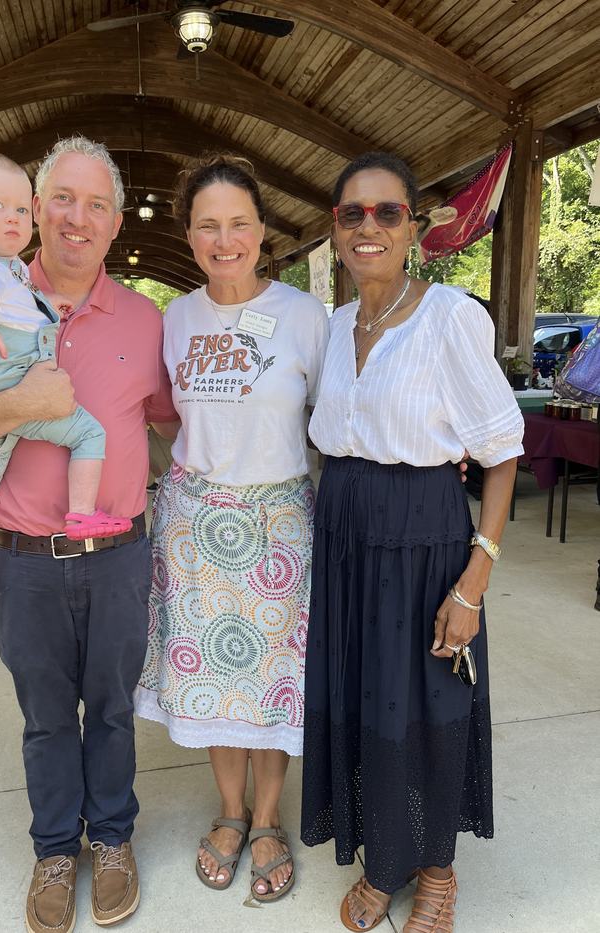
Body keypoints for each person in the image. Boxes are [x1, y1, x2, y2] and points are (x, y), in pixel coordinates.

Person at [0, 136, 178, 933]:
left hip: (120, 554)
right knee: (45, 717)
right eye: (62, 197)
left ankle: (115, 838)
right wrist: (22, 404)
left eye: (98, 203)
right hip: (23, 560)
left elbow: (174, 421)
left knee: (111, 709)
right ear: (33, 206)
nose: (77, 217)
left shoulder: (144, 317)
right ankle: (57, 848)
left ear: (117, 220)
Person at [300, 152, 524, 932]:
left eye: (386, 212)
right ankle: (383, 858)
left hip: (422, 533)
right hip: (347, 534)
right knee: (366, 698)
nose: (368, 227)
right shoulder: (335, 324)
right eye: (352, 213)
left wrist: (474, 582)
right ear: (335, 229)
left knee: (427, 702)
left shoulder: (450, 317)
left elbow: (500, 453)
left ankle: (435, 870)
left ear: (414, 228)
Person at [135, 154, 330, 900]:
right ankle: (229, 812)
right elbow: (157, 413)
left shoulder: (304, 316)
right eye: (209, 225)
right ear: (188, 234)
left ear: (261, 230)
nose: (225, 239)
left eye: (239, 223)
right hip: (195, 525)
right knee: (214, 675)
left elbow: (335, 419)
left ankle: (271, 818)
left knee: (274, 680)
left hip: (280, 521)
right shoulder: (174, 318)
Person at [0, 152, 131, 587]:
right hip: (8, 376)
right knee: (88, 433)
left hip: (117, 566)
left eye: (19, 209)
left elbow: (16, 305)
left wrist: (51, 309)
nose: (12, 219)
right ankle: (81, 512)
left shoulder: (12, 272)